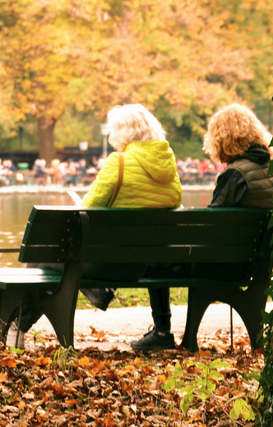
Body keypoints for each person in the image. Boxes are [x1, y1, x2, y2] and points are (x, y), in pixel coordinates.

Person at [16, 104, 182, 347]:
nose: (111, 136)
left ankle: (15, 326)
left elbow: (88, 209)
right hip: (146, 265)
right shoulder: (168, 166)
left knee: (44, 258)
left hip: (112, 265)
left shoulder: (119, 163)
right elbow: (173, 202)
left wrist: (80, 202)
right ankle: (162, 331)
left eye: (113, 130)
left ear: (125, 132)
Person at [132, 103, 273, 351]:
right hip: (258, 264)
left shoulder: (235, 175)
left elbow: (210, 231)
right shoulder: (269, 170)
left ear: (221, 139)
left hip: (224, 265)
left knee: (156, 256)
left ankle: (162, 331)